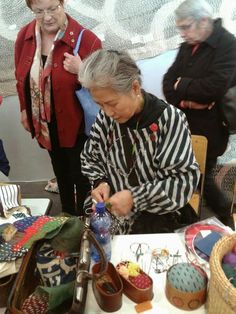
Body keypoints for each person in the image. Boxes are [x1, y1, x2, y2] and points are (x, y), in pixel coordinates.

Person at [79, 49, 200, 234]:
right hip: (115, 213)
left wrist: (135, 198)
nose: (107, 112)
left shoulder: (169, 120)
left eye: (112, 103)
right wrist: (101, 182)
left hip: (158, 216)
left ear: (135, 88)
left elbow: (180, 182)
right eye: (100, 104)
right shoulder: (106, 118)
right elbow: (90, 157)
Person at [14, 0, 102, 215]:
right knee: (60, 172)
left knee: (81, 176)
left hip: (79, 124)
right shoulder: (25, 37)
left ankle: (82, 220)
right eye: (39, 11)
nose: (47, 17)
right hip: (45, 122)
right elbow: (20, 77)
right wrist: (25, 109)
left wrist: (82, 69)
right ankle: (67, 215)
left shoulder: (87, 40)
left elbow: (105, 84)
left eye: (53, 8)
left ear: (63, 3)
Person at [163, 0, 236, 226]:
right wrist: (190, 99)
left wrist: (181, 85)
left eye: (185, 27)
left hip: (211, 127)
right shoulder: (189, 43)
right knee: (188, 173)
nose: (182, 33)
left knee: (199, 174)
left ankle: (225, 215)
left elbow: (214, 87)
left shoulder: (228, 44)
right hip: (184, 124)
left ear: (204, 21)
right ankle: (189, 217)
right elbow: (167, 82)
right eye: (180, 28)